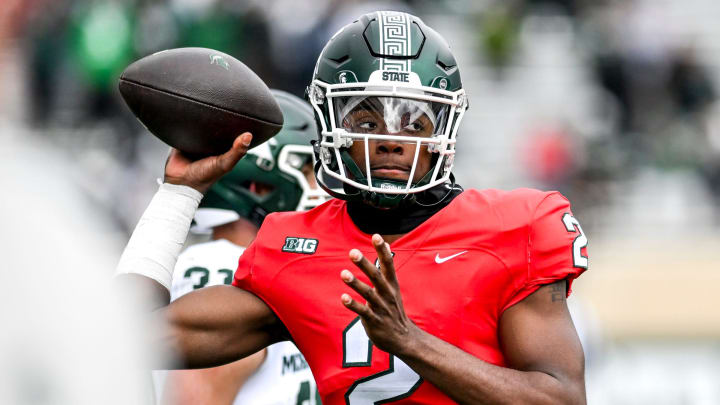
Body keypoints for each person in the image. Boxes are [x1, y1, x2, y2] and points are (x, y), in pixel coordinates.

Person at [117, 11, 588, 404]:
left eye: (413, 120)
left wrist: (409, 341)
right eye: (365, 118)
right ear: (329, 124)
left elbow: (561, 398)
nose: (390, 141)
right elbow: (125, 336)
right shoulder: (294, 249)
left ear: (442, 130)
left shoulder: (514, 227)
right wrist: (178, 195)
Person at [156, 90, 326, 404]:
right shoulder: (222, 269)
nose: (322, 190)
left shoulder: (274, 269)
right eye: (306, 172)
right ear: (259, 186)